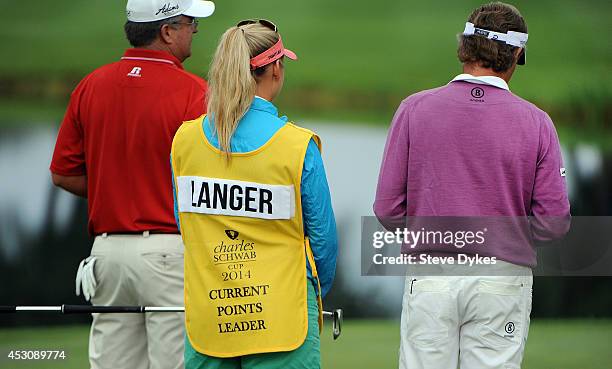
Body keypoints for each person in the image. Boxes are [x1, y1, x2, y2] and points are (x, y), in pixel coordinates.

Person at [374, 2, 570, 369]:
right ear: (515, 55)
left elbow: (387, 209)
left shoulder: (414, 109)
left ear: (464, 47)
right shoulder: (538, 123)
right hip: (503, 278)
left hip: (431, 274)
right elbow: (553, 223)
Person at [49, 1, 215, 368]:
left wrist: (117, 189)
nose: (193, 32)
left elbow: (64, 173)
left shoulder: (92, 84)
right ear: (166, 32)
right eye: (189, 24)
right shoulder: (194, 91)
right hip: (170, 251)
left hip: (106, 255)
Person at [170, 19, 337, 369]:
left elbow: (185, 226)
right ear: (275, 68)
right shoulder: (297, 145)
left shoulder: (184, 141)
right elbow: (323, 244)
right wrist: (310, 295)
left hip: (211, 312)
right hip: (284, 314)